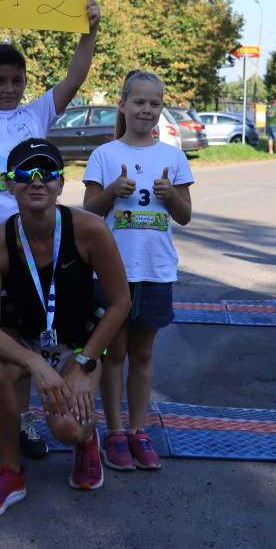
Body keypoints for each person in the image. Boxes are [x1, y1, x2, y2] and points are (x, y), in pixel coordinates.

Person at [0, 0, 101, 460]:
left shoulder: (35, 114)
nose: (9, 89)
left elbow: (76, 77)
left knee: (29, 332)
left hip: (33, 238)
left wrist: (90, 31)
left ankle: (23, 419)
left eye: (17, 80)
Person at [0, 139, 130, 517]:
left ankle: (87, 442)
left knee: (68, 430)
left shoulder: (90, 230)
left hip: (78, 345)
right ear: (10, 184)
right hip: (24, 339)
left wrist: (85, 360)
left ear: (61, 183)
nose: (36, 181)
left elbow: (121, 303)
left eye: (48, 174)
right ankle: (10, 470)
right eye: (25, 173)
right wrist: (35, 365)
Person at [81, 70, 193, 473]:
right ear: (123, 105)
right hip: (113, 273)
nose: (147, 110)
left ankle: (138, 431)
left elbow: (184, 216)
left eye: (155, 103)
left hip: (156, 271)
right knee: (115, 353)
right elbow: (87, 213)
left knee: (143, 353)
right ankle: (114, 433)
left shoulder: (173, 157)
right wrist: (112, 192)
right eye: (140, 102)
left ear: (161, 109)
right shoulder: (105, 155)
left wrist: (169, 196)